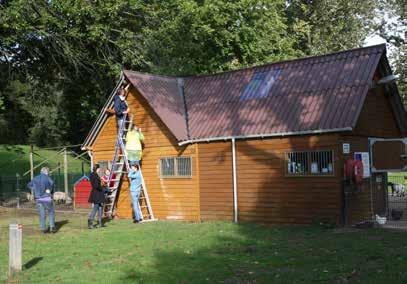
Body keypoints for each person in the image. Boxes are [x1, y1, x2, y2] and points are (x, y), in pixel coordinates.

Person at [27, 167, 56, 234]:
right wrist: (50, 192)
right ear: (46, 172)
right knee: (51, 212)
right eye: (49, 172)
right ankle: (52, 227)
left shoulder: (35, 178)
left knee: (42, 214)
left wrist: (35, 189)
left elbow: (29, 185)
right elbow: (52, 184)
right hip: (47, 198)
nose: (49, 173)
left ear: (41, 171)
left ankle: (43, 228)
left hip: (39, 199)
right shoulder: (48, 178)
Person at [88, 164, 106, 229]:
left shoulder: (94, 175)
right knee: (96, 208)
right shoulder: (94, 175)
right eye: (99, 169)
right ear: (97, 169)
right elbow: (96, 185)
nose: (99, 170)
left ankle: (100, 222)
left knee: (100, 207)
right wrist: (102, 186)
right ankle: (90, 222)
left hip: (97, 193)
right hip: (97, 193)